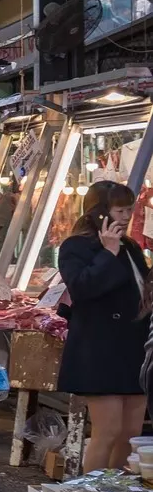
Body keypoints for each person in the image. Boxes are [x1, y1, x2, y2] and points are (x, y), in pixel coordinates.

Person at [59, 181, 150, 470]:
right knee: (106, 432)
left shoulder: (131, 247)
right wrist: (107, 252)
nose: (126, 217)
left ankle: (116, 491)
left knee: (130, 434)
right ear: (99, 212)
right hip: (100, 349)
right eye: (120, 210)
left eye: (129, 210)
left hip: (134, 347)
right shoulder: (75, 247)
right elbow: (82, 288)